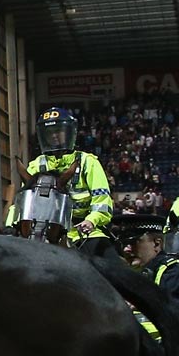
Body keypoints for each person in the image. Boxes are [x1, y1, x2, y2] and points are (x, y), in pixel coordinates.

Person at [25, 106, 114, 257]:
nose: (54, 136)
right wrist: (9, 227)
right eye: (49, 133)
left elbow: (102, 200)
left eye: (58, 131)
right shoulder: (36, 165)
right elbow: (22, 202)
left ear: (69, 133)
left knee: (113, 267)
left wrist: (91, 220)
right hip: (44, 235)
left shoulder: (88, 162)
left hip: (85, 232)